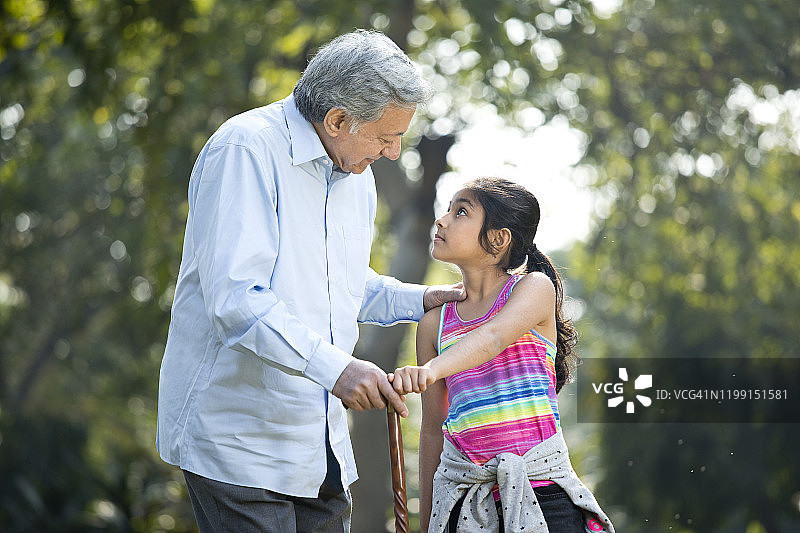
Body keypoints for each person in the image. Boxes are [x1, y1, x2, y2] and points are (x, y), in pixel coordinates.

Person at [156, 30, 464, 533]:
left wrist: (427, 298)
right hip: (238, 443)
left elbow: (342, 286)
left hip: (319, 449)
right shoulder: (246, 149)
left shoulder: (356, 177)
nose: (393, 152)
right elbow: (237, 300)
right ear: (338, 120)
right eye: (386, 136)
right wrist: (338, 370)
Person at [390, 177, 615, 533]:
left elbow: (492, 338)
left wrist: (430, 370)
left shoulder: (533, 289)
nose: (442, 220)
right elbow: (434, 430)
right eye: (447, 210)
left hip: (545, 497)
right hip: (466, 507)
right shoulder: (434, 325)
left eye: (460, 212)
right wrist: (429, 524)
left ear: (498, 238)